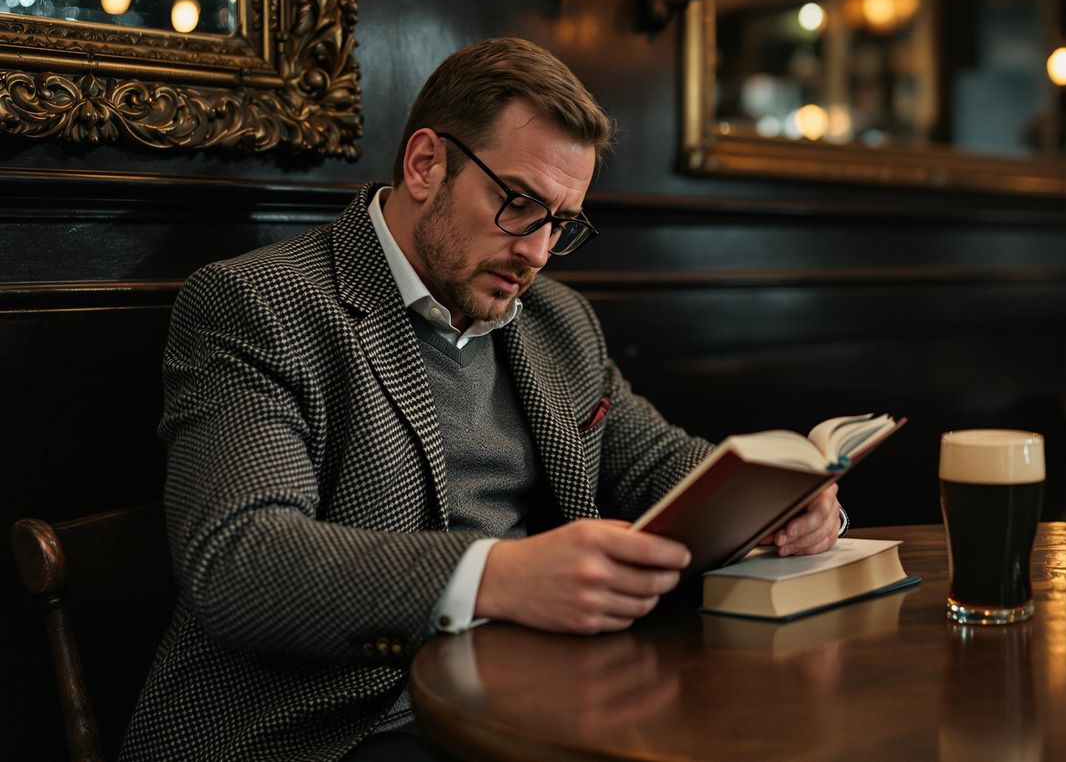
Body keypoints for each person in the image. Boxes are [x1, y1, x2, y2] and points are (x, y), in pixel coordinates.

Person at [120, 38, 846, 762]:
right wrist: (499, 576)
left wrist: (775, 500)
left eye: (561, 222)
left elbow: (655, 460)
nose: (536, 252)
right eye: (518, 203)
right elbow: (239, 560)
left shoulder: (559, 321)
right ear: (425, 164)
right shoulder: (258, 304)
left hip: (533, 699)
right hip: (329, 731)